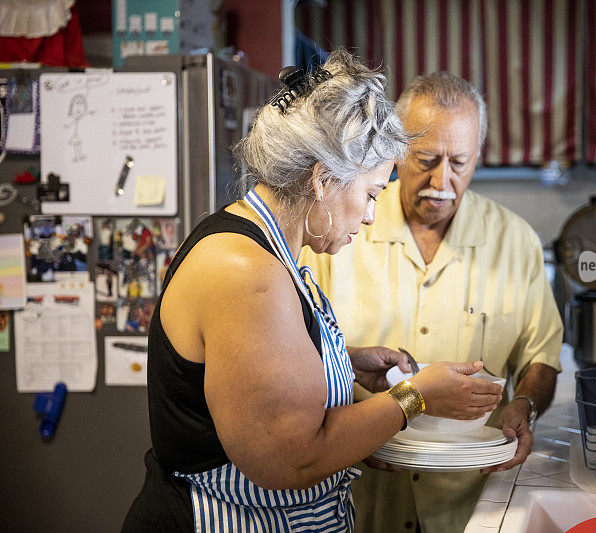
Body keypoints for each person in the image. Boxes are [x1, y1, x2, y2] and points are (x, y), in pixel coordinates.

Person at [122, 50, 503, 533]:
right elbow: (293, 458)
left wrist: (342, 360)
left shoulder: (266, 245)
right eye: (370, 194)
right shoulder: (246, 274)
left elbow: (263, 372)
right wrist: (416, 396)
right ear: (323, 181)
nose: (370, 216)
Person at [299, 72, 564, 532]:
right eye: (426, 159)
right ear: (397, 150)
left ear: (479, 157)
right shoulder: (341, 228)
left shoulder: (515, 241)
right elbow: (297, 353)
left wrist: (524, 406)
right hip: (360, 495)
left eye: (459, 162)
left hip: (468, 501)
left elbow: (541, 356)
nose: (442, 180)